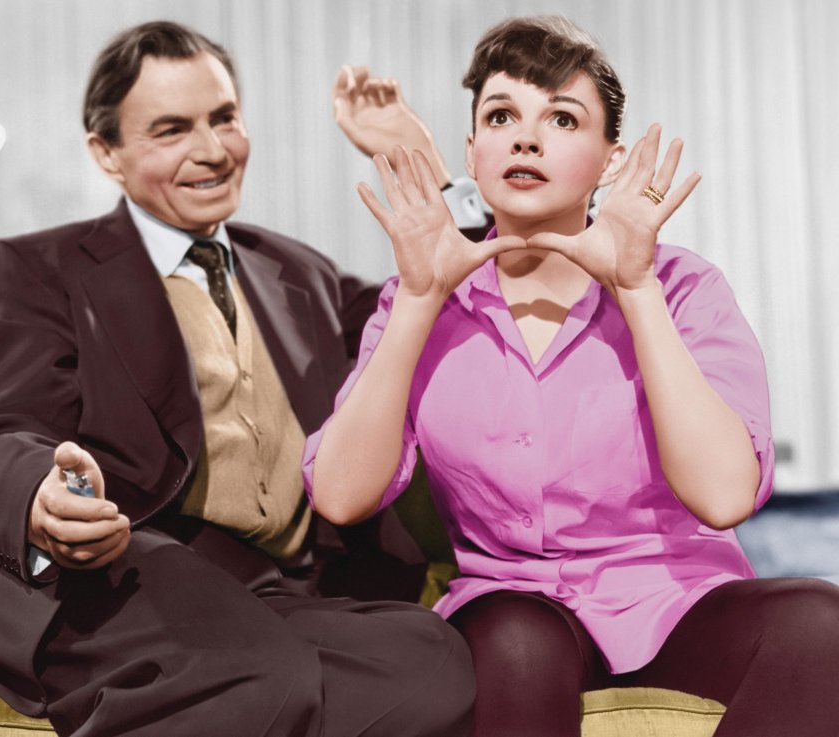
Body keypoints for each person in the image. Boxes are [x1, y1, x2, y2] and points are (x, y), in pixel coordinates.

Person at [0, 20, 479, 737]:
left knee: (435, 662)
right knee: (262, 672)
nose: (212, 150)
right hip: (131, 569)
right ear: (107, 153)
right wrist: (39, 499)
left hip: (280, 588)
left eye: (224, 118)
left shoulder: (298, 271)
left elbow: (447, 304)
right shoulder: (36, 269)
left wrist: (417, 159)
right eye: (172, 130)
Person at [304, 14, 839, 737]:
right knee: (519, 643)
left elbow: (723, 496)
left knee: (821, 622)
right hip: (511, 609)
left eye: (561, 118)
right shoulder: (420, 300)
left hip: (675, 603)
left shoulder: (683, 288)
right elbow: (341, 495)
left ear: (611, 160)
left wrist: (636, 290)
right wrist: (421, 301)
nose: (526, 138)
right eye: (501, 116)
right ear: (473, 150)